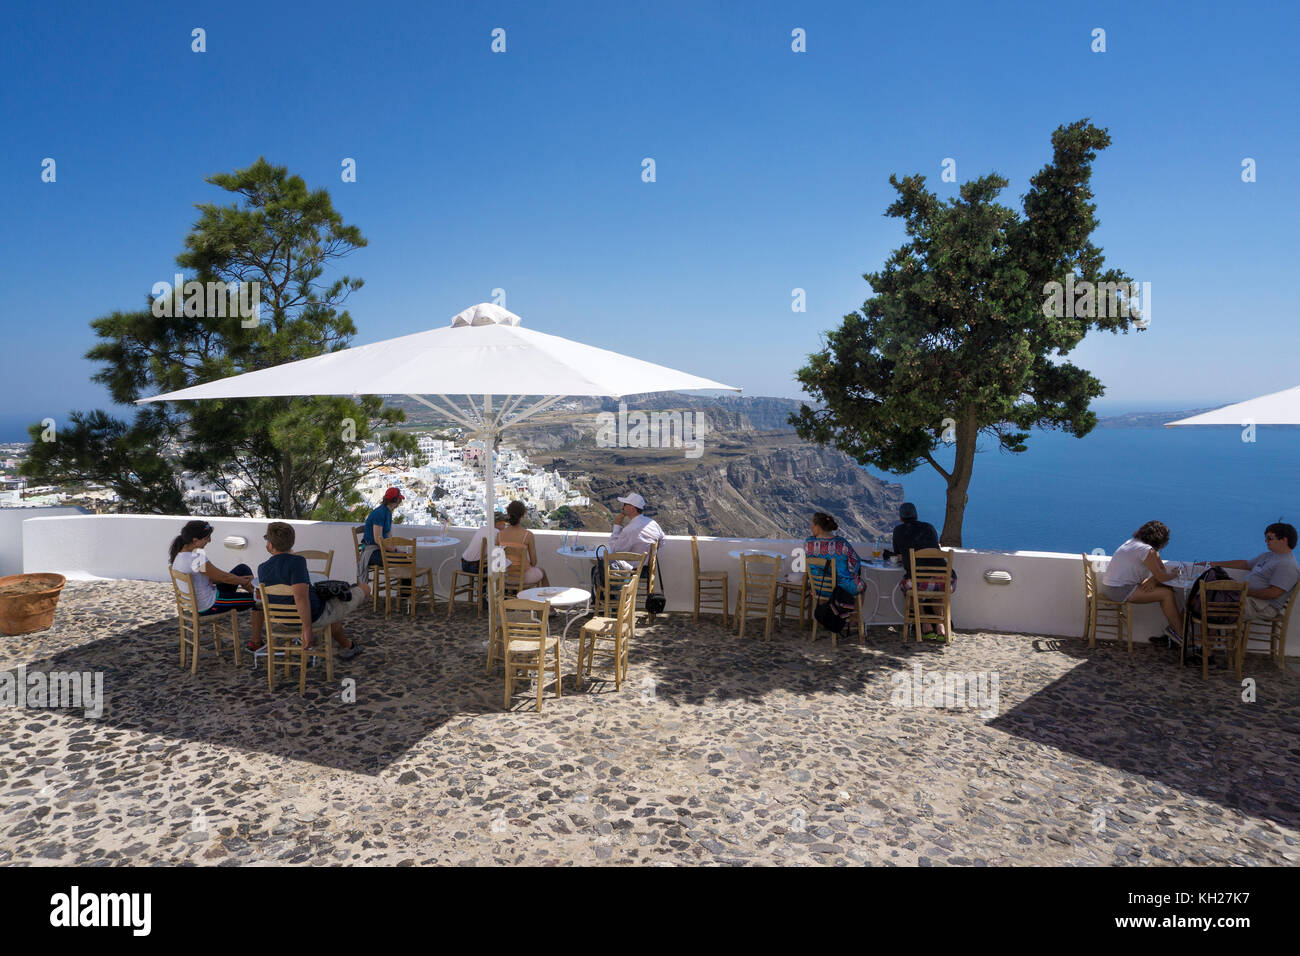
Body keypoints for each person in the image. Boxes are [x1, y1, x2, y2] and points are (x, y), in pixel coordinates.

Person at [255, 521, 366, 658]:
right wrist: (307, 628)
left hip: (283, 619)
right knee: (363, 588)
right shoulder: (297, 562)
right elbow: (300, 597)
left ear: (270, 546)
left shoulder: (262, 568)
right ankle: (349, 646)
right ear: (291, 543)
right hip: (312, 616)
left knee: (330, 614)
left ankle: (349, 646)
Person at [168, 520, 261, 636]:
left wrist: (239, 579)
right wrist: (243, 581)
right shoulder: (196, 558)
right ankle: (256, 640)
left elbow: (218, 577)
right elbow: (224, 578)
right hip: (210, 605)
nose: (209, 541)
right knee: (258, 602)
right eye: (206, 538)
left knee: (242, 568)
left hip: (203, 600)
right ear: (195, 540)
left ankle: (256, 592)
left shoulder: (180, 555)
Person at [1100, 520, 1183, 645]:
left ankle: (1174, 632)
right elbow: (1162, 575)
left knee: (1168, 590)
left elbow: (1160, 570)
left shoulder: (1134, 543)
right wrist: (1175, 574)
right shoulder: (1145, 550)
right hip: (1120, 590)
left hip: (1111, 587)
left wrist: (1152, 580)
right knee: (1167, 594)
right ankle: (1181, 635)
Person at [1205, 522, 1300, 623]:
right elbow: (1244, 564)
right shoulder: (1268, 556)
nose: (1266, 541)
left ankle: (1211, 635)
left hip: (1262, 605)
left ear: (1284, 540)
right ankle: (1212, 635)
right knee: (1208, 598)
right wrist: (1213, 564)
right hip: (1250, 598)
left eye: (1269, 538)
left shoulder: (1288, 565)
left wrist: (1243, 592)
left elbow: (1273, 593)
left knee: (1212, 605)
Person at [891, 502, 957, 639]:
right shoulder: (929, 527)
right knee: (937, 591)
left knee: (910, 587)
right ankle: (941, 628)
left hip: (919, 581)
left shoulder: (898, 531)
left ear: (900, 518)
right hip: (945, 580)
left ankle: (926, 626)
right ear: (917, 515)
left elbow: (899, 556)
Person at [803, 512, 863, 634]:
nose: (810, 528)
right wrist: (851, 574)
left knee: (826, 589)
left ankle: (826, 621)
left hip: (819, 588)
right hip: (841, 589)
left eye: (812, 525)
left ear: (818, 527)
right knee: (861, 586)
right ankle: (852, 621)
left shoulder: (808, 543)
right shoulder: (841, 543)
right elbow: (856, 562)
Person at [607, 492, 664, 576]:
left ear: (632, 508)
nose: (622, 507)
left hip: (634, 570)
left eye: (625, 504)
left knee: (599, 569)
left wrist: (617, 525)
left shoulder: (629, 530)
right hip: (647, 568)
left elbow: (615, 550)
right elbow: (662, 541)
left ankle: (613, 589)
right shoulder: (652, 523)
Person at [498, 500, 548, 587]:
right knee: (542, 572)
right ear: (523, 514)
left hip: (505, 577)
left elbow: (497, 560)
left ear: (508, 514)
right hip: (523, 577)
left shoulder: (499, 535)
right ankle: (545, 599)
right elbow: (534, 562)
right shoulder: (527, 535)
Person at [358, 487, 404, 577]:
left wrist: (395, 549)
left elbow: (388, 535)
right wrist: (393, 550)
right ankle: (404, 590)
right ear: (395, 500)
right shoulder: (380, 513)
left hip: (380, 549)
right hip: (371, 552)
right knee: (403, 559)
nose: (400, 502)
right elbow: (377, 539)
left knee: (404, 558)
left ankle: (404, 590)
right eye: (399, 499)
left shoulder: (388, 513)